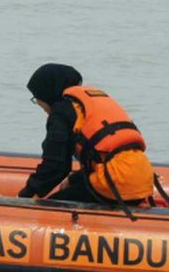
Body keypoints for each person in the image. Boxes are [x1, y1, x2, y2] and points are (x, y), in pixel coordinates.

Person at [17, 63, 155, 208]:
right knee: (74, 186)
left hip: (116, 183)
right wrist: (74, 179)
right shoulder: (92, 100)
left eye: (36, 99)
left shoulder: (61, 111)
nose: (40, 105)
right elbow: (106, 154)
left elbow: (55, 166)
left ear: (46, 93)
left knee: (49, 211)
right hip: (142, 177)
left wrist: (24, 197)